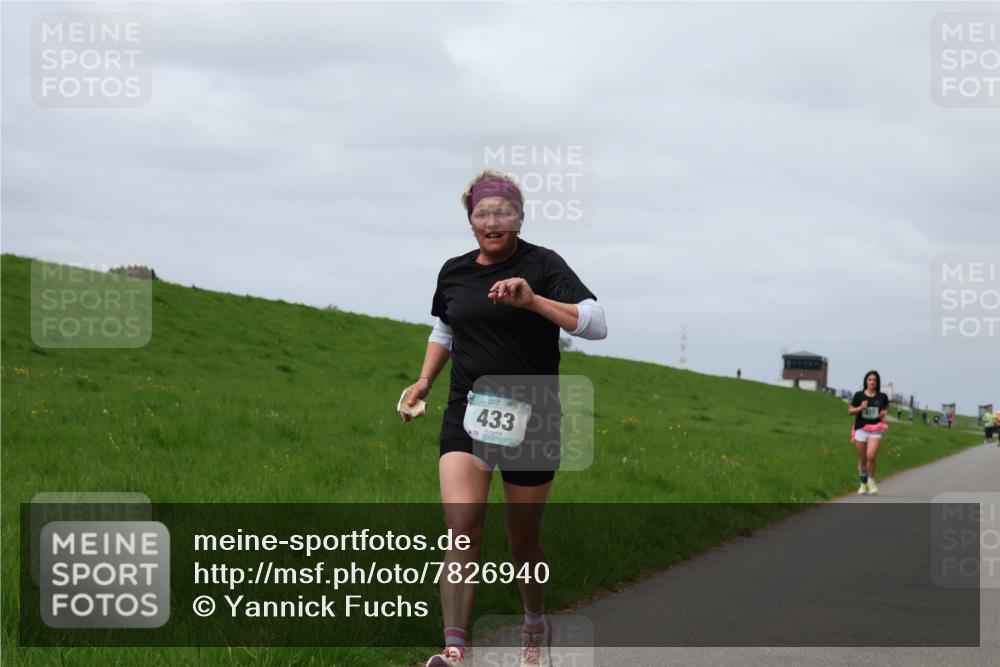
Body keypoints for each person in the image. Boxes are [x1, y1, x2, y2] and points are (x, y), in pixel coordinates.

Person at [400, 170, 607, 667]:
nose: (492, 221)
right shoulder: (454, 271)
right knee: (462, 529)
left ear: (518, 216)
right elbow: (445, 328)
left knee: (523, 541)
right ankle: (454, 650)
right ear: (470, 220)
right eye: (481, 213)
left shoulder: (544, 264)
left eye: (503, 212)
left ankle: (534, 623)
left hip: (534, 414)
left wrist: (533, 300)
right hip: (467, 412)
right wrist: (425, 379)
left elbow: (597, 323)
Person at [848, 370, 890, 495]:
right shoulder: (859, 395)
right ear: (866, 381)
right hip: (861, 428)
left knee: (871, 456)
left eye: (875, 380)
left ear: (877, 382)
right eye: (870, 379)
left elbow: (887, 407)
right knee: (863, 457)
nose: (872, 382)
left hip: (876, 429)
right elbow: (850, 411)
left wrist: (884, 413)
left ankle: (871, 482)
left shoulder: (882, 397)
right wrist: (860, 408)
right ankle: (863, 483)